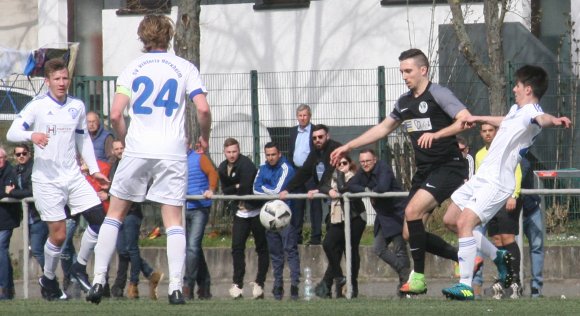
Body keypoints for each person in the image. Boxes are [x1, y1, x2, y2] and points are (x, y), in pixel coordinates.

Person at [89, 14, 212, 305]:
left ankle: (97, 282)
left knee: (115, 214)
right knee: (173, 221)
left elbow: (117, 114)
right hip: (171, 150)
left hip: (138, 149)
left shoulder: (132, 68)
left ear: (142, 37)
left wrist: (123, 138)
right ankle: (176, 288)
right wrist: (204, 136)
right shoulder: (184, 67)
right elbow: (203, 110)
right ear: (169, 35)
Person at [330, 48, 468, 295]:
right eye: (402, 71)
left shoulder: (438, 93)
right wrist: (349, 145)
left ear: (423, 70)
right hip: (425, 171)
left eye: (408, 71)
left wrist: (437, 134)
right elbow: (383, 128)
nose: (404, 76)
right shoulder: (404, 103)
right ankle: (463, 257)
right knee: (408, 232)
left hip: (449, 165)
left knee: (413, 211)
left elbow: (465, 119)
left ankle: (419, 279)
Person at [441, 64, 572, 300]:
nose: (514, 89)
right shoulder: (516, 110)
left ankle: (465, 285)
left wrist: (557, 120)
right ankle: (498, 256)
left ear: (528, 89)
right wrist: (479, 117)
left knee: (464, 224)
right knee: (450, 220)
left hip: (498, 181)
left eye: (518, 85)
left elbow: (543, 119)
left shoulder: (533, 111)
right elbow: (506, 119)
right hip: (482, 177)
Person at [6, 58, 108, 301]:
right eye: (57, 79)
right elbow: (12, 132)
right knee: (59, 235)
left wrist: (94, 170)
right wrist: (33, 134)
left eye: (65, 78)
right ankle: (48, 278)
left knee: (99, 220)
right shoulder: (38, 105)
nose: (62, 83)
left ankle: (79, 266)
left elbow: (83, 140)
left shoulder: (77, 106)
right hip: (47, 180)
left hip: (73, 175)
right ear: (48, 81)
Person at [348, 149, 410, 296]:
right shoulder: (362, 172)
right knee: (378, 248)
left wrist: (371, 192)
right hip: (382, 216)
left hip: (397, 214)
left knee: (400, 251)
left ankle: (405, 289)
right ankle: (405, 272)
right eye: (362, 162)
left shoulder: (384, 168)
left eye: (368, 161)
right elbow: (351, 185)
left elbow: (383, 187)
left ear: (374, 160)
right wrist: (367, 190)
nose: (365, 164)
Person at [107, 140, 163, 300]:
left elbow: (140, 185)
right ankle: (151, 274)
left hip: (132, 212)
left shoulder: (134, 164)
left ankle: (134, 285)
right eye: (116, 149)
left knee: (131, 249)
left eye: (121, 148)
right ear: (113, 151)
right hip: (119, 213)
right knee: (122, 250)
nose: (119, 151)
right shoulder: (114, 166)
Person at [474, 123, 523, 299]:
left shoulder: (506, 149)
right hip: (490, 201)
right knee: (497, 241)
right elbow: (480, 179)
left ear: (496, 132)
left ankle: (515, 281)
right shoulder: (480, 154)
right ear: (481, 134)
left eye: (491, 131)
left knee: (507, 238)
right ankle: (504, 278)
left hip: (506, 198)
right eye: (484, 131)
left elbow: (516, 171)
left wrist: (514, 195)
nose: (488, 134)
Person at [218, 138, 269, 299]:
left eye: (234, 151)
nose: (232, 155)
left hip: (255, 210)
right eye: (229, 152)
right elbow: (226, 192)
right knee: (237, 247)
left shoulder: (246, 164)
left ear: (238, 150)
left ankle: (259, 283)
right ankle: (237, 284)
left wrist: (236, 188)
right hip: (240, 213)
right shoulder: (222, 167)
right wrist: (236, 187)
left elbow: (246, 188)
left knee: (261, 247)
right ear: (224, 152)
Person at [313, 154, 366, 299]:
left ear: (350, 164)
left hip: (355, 218)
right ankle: (338, 279)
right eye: (338, 164)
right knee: (329, 245)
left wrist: (339, 175)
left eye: (344, 163)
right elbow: (322, 185)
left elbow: (343, 188)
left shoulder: (353, 177)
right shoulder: (332, 177)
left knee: (351, 251)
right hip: (337, 219)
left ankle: (350, 287)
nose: (341, 166)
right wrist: (328, 190)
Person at [253, 142, 299, 300]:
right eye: (268, 155)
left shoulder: (286, 168)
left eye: (273, 154)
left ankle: (294, 286)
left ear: (279, 154)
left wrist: (265, 188)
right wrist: (268, 189)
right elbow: (254, 188)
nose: (270, 157)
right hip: (269, 219)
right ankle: (278, 286)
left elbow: (277, 191)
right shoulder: (262, 168)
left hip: (285, 218)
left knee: (290, 251)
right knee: (275, 254)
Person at [5, 144, 48, 272]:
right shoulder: (16, 170)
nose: (21, 156)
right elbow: (9, 186)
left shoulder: (34, 168)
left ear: (29, 154)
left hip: (38, 215)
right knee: (38, 249)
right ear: (15, 156)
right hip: (27, 216)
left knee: (37, 249)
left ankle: (50, 278)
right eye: (18, 154)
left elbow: (31, 191)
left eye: (24, 153)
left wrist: (12, 192)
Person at [183, 142, 218, 300]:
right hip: (182, 208)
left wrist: (211, 189)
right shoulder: (174, 159)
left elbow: (212, 172)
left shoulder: (199, 158)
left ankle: (187, 285)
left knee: (192, 247)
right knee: (193, 248)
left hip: (199, 208)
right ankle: (204, 285)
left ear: (189, 144)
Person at [287, 104, 320, 245]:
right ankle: (297, 236)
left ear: (310, 116)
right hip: (297, 172)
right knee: (297, 206)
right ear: (297, 117)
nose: (302, 118)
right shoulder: (293, 131)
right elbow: (291, 151)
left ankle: (316, 237)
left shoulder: (315, 131)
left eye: (305, 115)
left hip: (311, 173)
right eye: (300, 116)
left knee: (315, 205)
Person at [520, 155, 544, 298]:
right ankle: (513, 285)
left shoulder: (524, 160)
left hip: (531, 209)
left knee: (537, 247)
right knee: (510, 249)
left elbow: (523, 171)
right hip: (511, 213)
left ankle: (536, 287)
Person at [0, 147, 20, 300]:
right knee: (2, 253)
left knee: (1, 248)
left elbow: (11, 190)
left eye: (1, 158)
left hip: (7, 219)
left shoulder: (10, 171)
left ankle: (5, 288)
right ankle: (9, 287)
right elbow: (4, 190)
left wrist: (6, 191)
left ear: (5, 158)